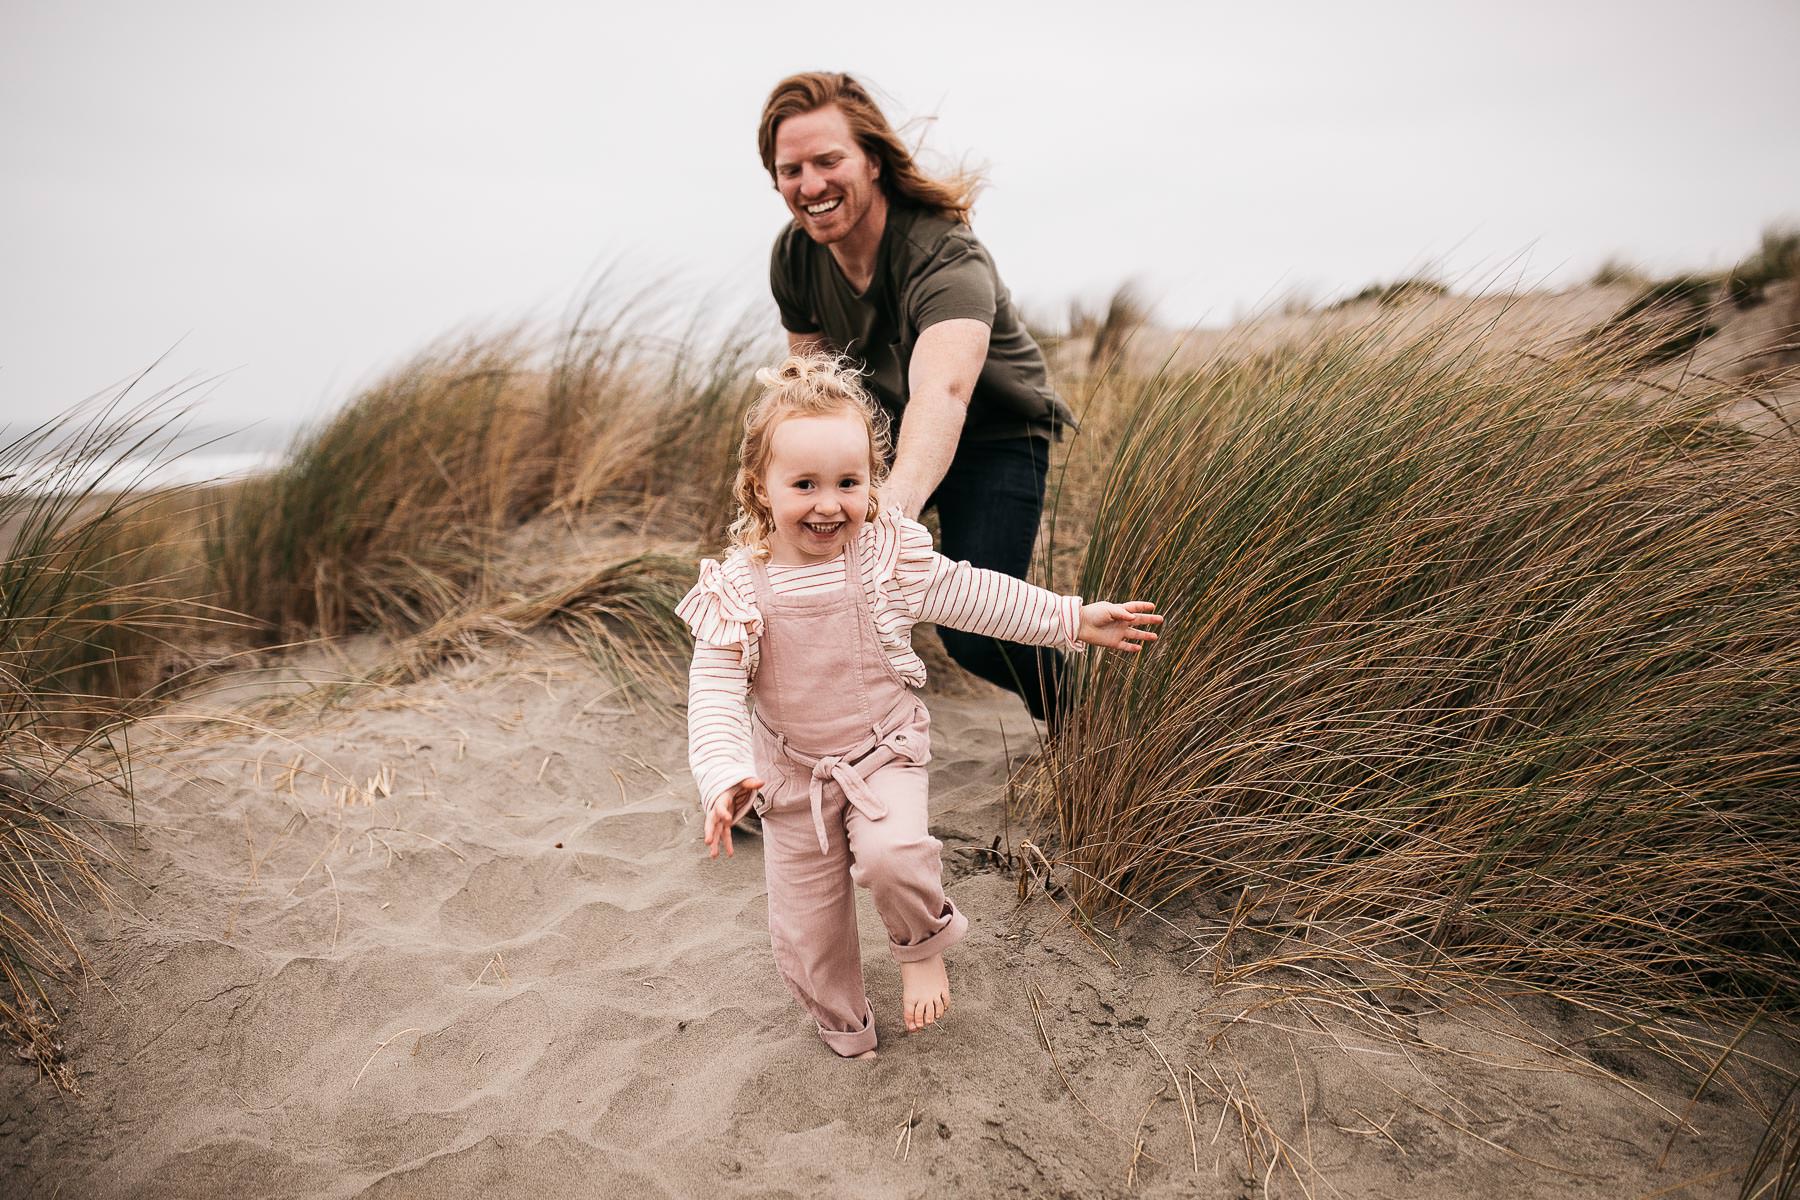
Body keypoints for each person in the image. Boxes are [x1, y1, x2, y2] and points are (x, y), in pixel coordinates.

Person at [678, 355, 1160, 1058]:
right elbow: (715, 694)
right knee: (808, 932)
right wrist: (723, 776)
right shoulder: (737, 590)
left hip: (884, 750)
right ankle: (847, 1029)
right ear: (760, 488)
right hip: (791, 777)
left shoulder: (884, 558)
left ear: (871, 482)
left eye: (849, 483)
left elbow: (973, 594)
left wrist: (1070, 619)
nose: (828, 504)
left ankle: (921, 946)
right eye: (805, 484)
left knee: (896, 857)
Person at [758, 71, 1079, 725]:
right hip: (882, 432)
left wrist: (888, 517)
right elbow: (810, 396)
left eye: (828, 161)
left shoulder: (943, 252)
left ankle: (1087, 714)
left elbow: (945, 390)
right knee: (806, 586)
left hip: (994, 435)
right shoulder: (795, 257)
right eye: (791, 170)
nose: (810, 185)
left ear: (872, 161)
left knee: (976, 632)